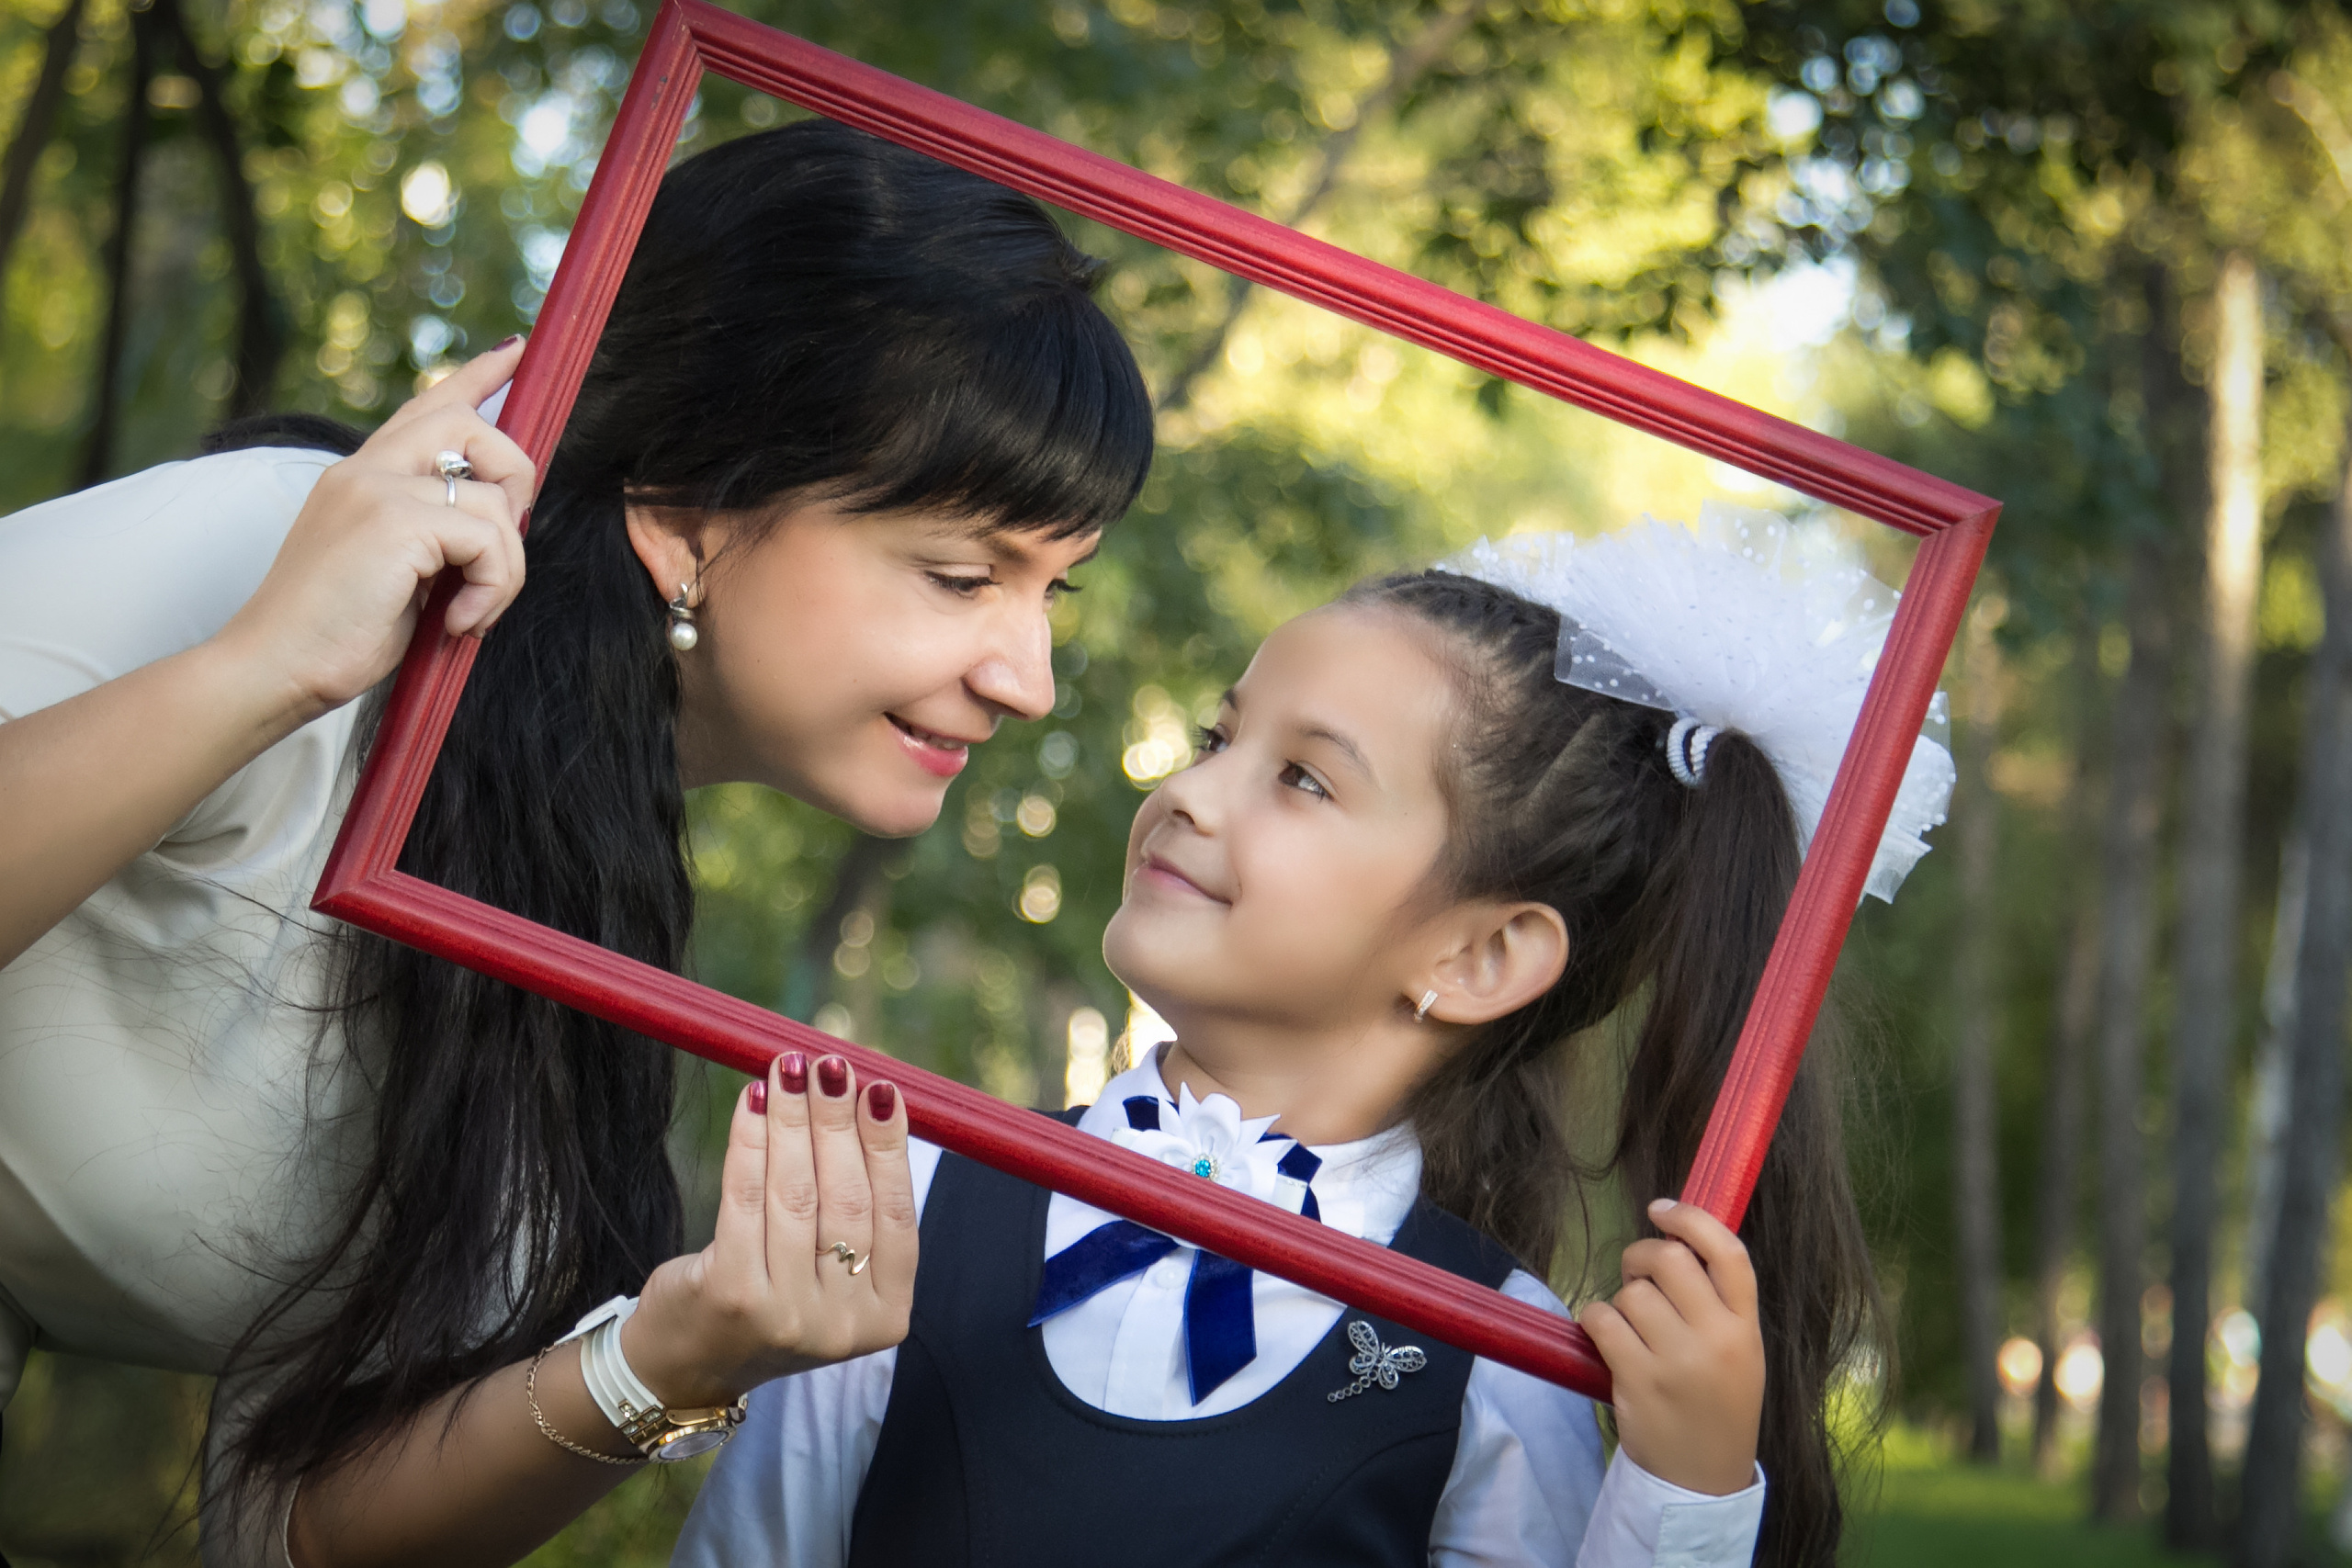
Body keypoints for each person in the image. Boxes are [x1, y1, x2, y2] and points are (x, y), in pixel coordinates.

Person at [0, 119, 1147, 1566]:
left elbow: (287, 1533)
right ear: (684, 515)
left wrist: (668, 1365)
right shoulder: (285, 565)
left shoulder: (576, 920)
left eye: (1056, 595)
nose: (1027, 678)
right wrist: (261, 673)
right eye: (962, 575)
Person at [675, 513, 1951, 1567]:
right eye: (1221, 738)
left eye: (1303, 778)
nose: (1186, 791)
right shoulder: (912, 1198)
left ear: (1479, 956)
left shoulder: (1500, 1370)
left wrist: (1686, 1496)